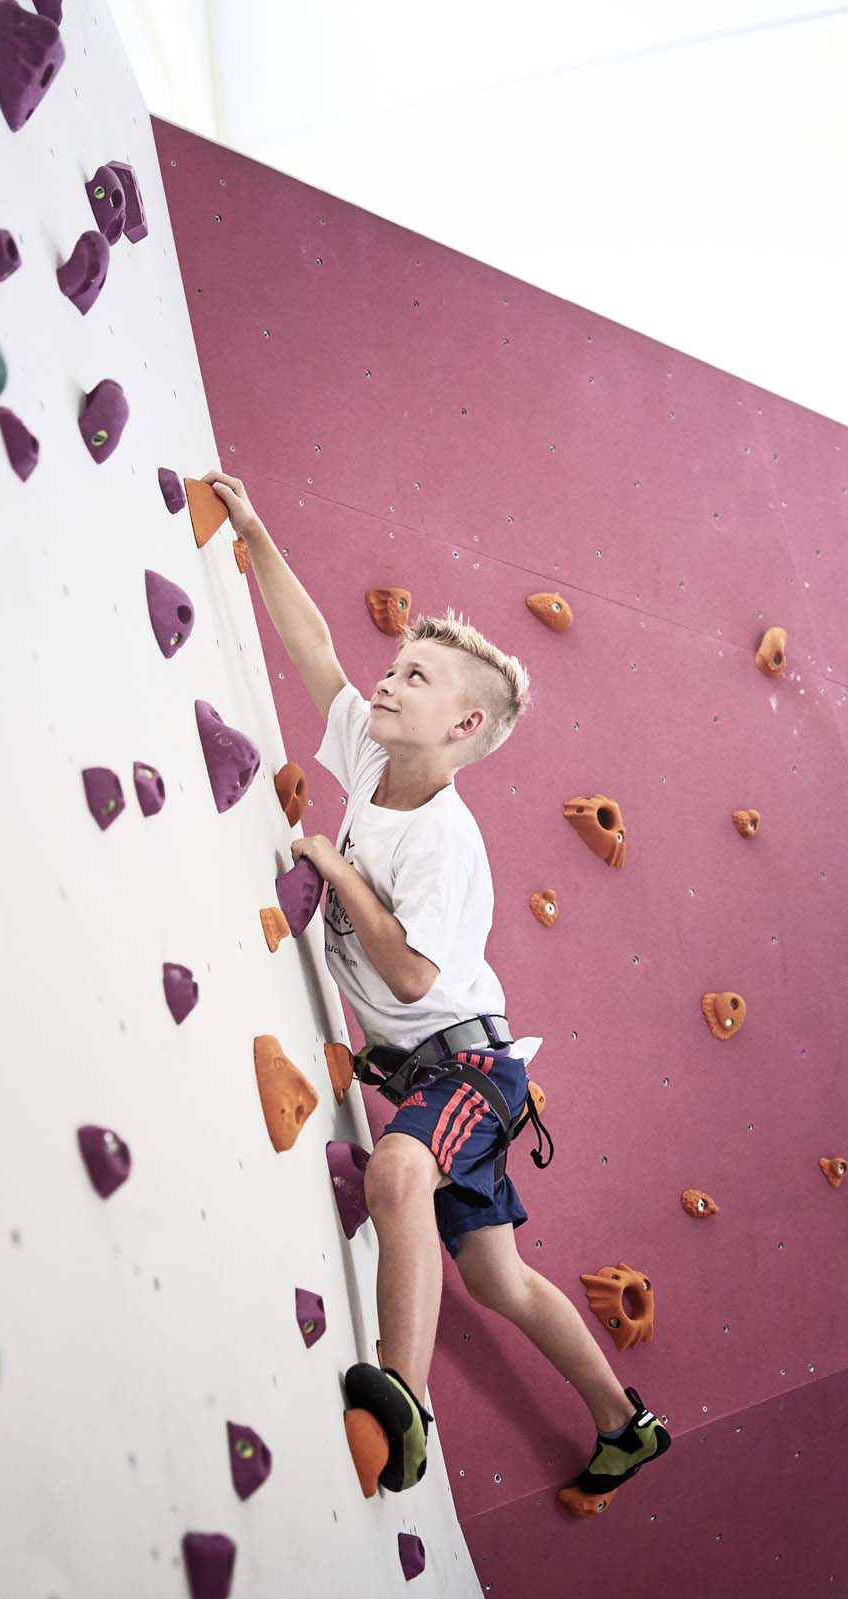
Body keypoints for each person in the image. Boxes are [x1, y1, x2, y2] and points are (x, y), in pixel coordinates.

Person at [202, 470, 669, 1505]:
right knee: (498, 1279)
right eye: (399, 664)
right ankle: (623, 1423)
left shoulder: (446, 841)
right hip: (431, 1070)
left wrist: (337, 875)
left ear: (461, 730)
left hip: (467, 1066)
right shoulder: (370, 757)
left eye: (415, 678)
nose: (387, 682)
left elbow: (412, 968)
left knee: (399, 1176)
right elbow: (315, 646)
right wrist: (256, 530)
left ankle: (404, 1401)